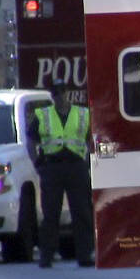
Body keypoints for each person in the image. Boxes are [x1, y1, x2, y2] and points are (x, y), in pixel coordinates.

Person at [34, 86, 95, 268]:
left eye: (61, 93)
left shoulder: (83, 114)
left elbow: (92, 138)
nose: (59, 97)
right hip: (52, 166)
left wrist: (90, 162)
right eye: (56, 94)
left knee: (82, 212)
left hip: (76, 166)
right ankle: (47, 255)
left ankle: (84, 255)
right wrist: (37, 162)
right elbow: (31, 139)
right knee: (50, 213)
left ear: (68, 94)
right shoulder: (43, 115)